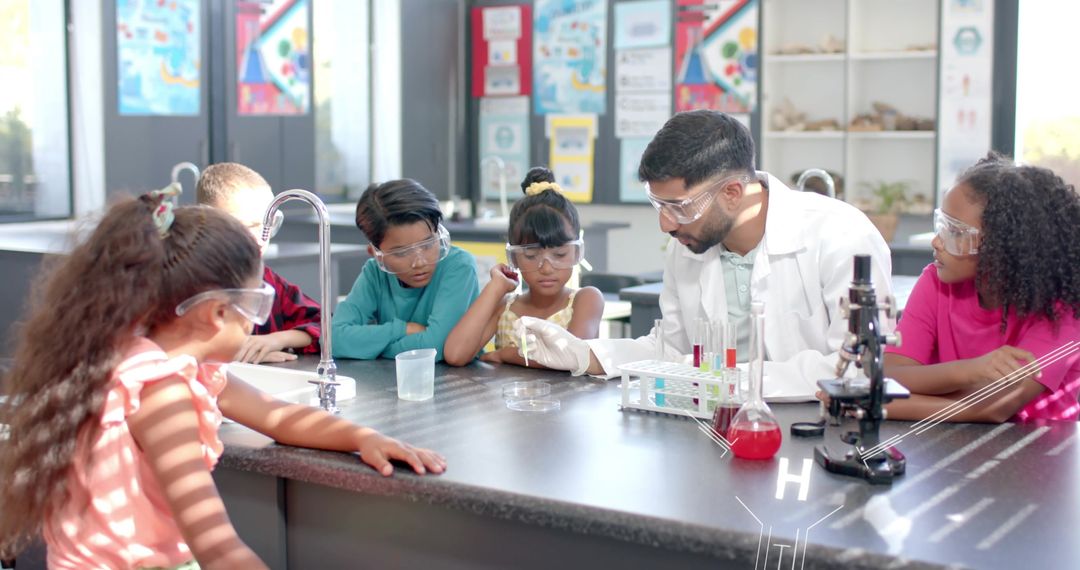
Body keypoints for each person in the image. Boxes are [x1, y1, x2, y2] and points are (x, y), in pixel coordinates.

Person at [0, 191, 445, 569]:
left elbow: (276, 416)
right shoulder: (163, 393)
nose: (259, 320)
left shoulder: (148, 359)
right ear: (217, 313)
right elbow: (218, 548)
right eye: (256, 303)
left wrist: (361, 436)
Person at [517, 110, 893, 399]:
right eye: (658, 205)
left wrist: (724, 380)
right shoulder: (690, 242)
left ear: (732, 193)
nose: (666, 224)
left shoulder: (842, 235)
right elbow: (673, 350)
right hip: (714, 428)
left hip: (816, 432)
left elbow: (854, 368)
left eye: (679, 206)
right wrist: (584, 355)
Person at [880, 153, 1080, 422]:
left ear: (1004, 247)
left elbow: (997, 406)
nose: (937, 242)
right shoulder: (935, 282)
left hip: (1035, 454)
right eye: (942, 225)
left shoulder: (1061, 310)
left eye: (956, 232)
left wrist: (883, 407)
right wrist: (971, 371)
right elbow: (891, 373)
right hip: (951, 443)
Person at [443, 167, 604, 367]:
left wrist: (507, 355)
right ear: (514, 257)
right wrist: (495, 288)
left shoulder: (586, 300)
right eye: (531, 255)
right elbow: (455, 354)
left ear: (577, 253)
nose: (546, 268)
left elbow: (572, 358)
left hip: (567, 399)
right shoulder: (505, 306)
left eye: (559, 254)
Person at [332, 179, 479, 361]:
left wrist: (373, 347)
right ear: (376, 254)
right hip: (395, 380)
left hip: (459, 381)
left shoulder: (458, 266)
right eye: (402, 253)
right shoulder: (374, 273)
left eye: (428, 244)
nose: (419, 262)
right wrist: (404, 329)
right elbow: (334, 339)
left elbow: (436, 347)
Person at [197, 162, 321, 363]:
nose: (261, 238)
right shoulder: (186, 281)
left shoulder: (268, 280)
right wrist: (229, 354)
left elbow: (325, 325)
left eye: (267, 225)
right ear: (210, 222)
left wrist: (275, 340)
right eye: (248, 226)